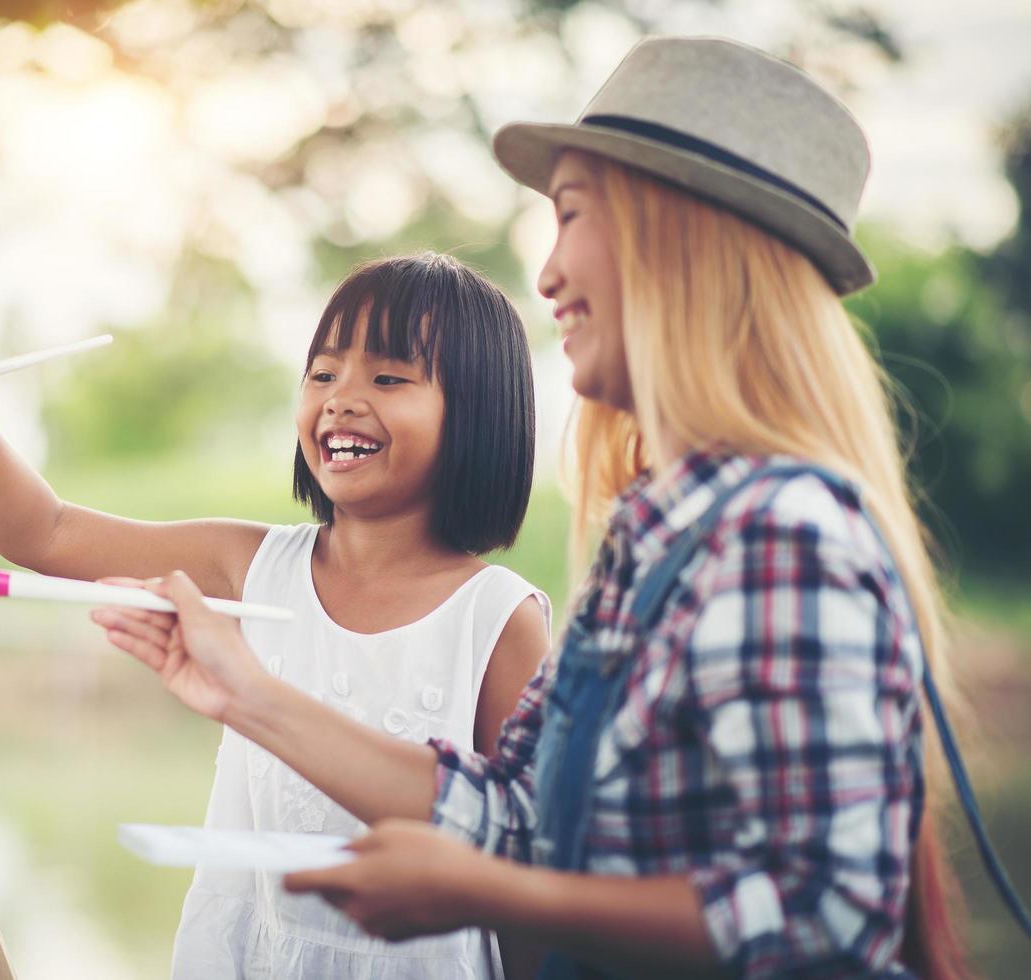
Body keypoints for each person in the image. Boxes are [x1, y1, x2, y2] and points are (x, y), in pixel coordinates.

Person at [95, 37, 972, 978]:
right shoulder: (654, 532)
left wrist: (486, 894)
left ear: (680, 238)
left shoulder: (779, 534)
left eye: (570, 218)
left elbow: (821, 917)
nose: (547, 276)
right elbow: (516, 812)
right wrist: (246, 695)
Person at [0, 252, 551, 978]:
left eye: (388, 378)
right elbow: (45, 533)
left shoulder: (497, 619)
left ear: (480, 414)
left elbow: (524, 865)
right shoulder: (247, 564)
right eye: (323, 373)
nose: (338, 399)